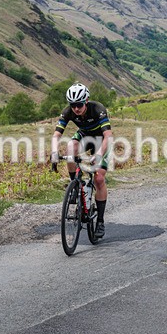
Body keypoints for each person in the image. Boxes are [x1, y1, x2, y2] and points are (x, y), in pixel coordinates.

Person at [51, 82, 112, 239]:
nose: (76, 109)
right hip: (84, 136)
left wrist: (98, 155)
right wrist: (53, 152)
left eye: (79, 105)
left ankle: (100, 221)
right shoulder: (69, 112)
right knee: (71, 147)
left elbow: (108, 137)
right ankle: (75, 186)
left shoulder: (98, 109)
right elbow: (56, 135)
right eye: (73, 105)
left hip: (100, 141)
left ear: (86, 101)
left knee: (98, 178)